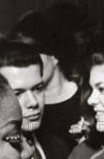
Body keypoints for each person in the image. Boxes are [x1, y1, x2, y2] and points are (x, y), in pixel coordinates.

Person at [10, 11, 80, 146]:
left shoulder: (88, 99)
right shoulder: (21, 105)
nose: (24, 63)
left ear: (55, 56)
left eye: (32, 55)